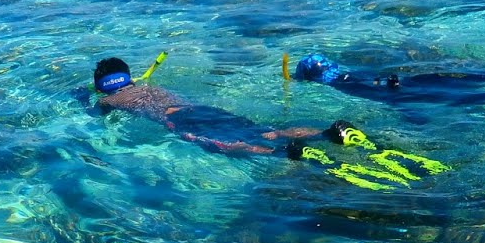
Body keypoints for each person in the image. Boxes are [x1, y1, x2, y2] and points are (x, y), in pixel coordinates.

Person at [92, 57, 332, 155]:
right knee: (264, 130)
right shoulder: (149, 88)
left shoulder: (107, 100)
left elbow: (97, 114)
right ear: (129, 78)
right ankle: (326, 134)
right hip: (201, 110)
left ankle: (281, 153)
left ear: (101, 86)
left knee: (225, 146)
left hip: (178, 121)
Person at [292, 53, 485, 106]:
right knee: (462, 80)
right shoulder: (346, 73)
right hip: (408, 82)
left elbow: (374, 91)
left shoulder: (336, 85)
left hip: (402, 92)